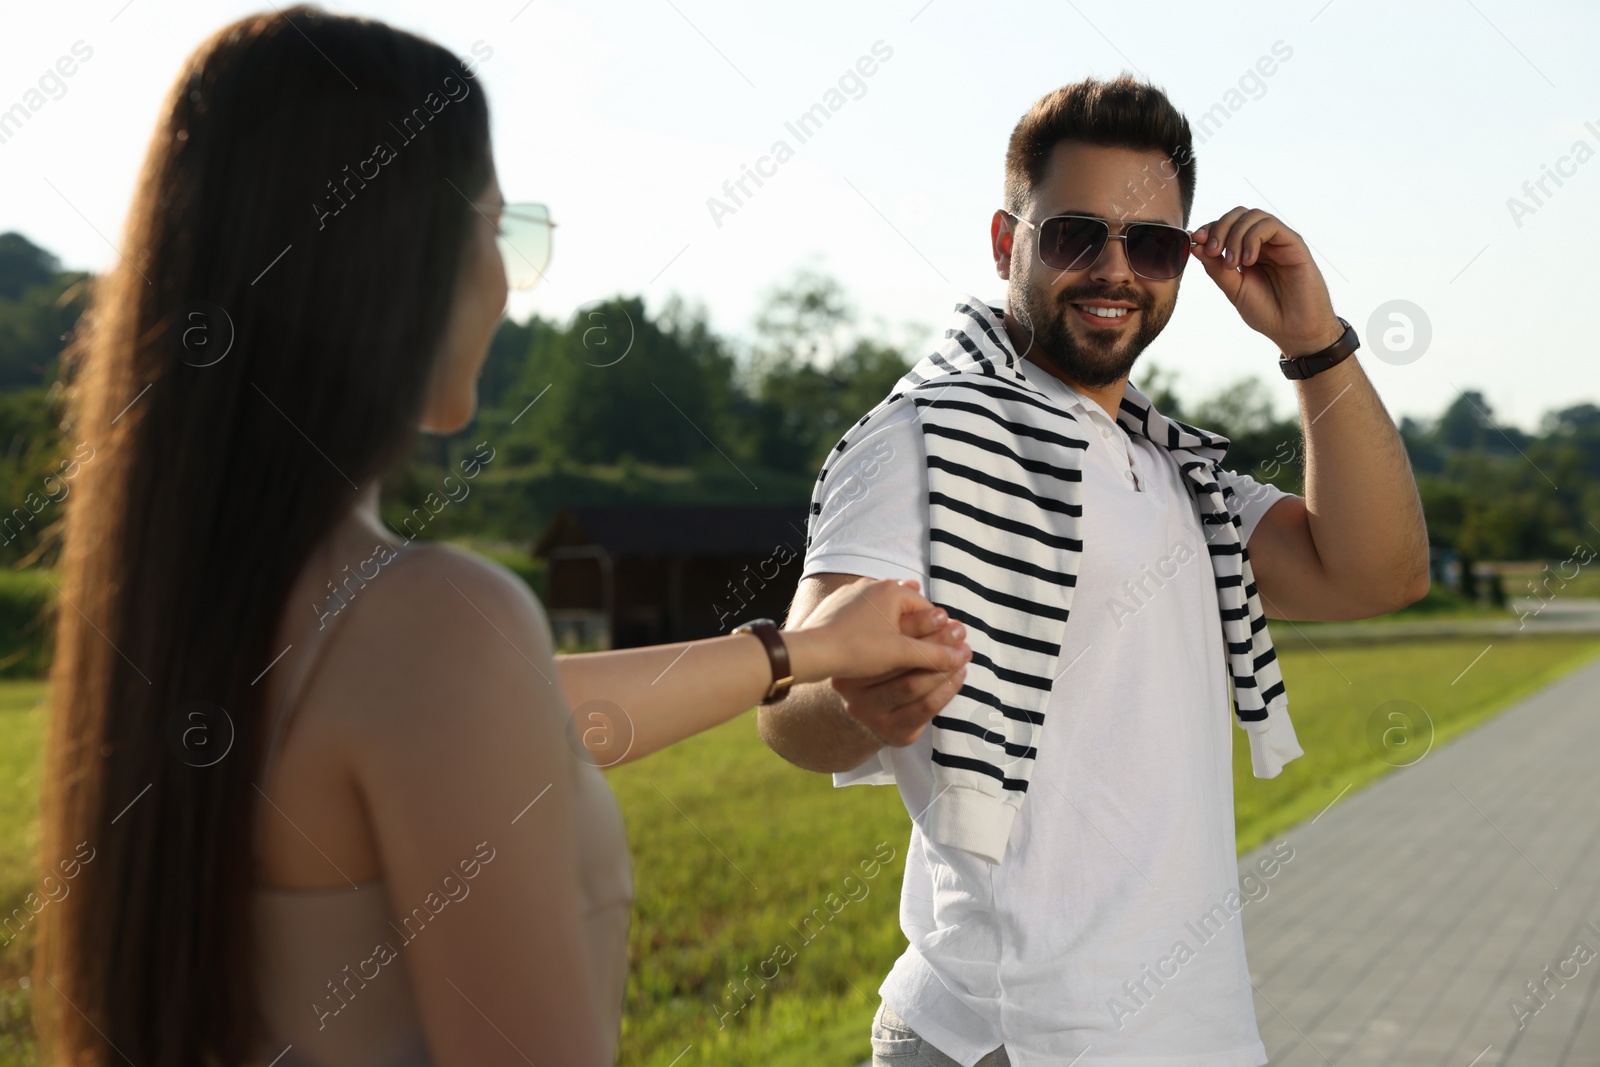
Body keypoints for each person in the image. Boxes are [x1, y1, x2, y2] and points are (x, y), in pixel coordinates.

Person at [33, 8, 969, 1067]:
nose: (509, 280)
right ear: (393, 265)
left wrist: (807, 651)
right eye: (497, 229)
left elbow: (532, 722)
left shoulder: (195, 608)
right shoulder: (428, 621)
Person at [760, 74, 1430, 1066]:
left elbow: (1375, 574)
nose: (1114, 268)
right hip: (1011, 1032)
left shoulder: (1175, 472)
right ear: (1005, 243)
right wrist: (860, 700)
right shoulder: (931, 437)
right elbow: (788, 706)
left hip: (1185, 1029)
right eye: (1076, 234)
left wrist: (1310, 343)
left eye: (1151, 243)